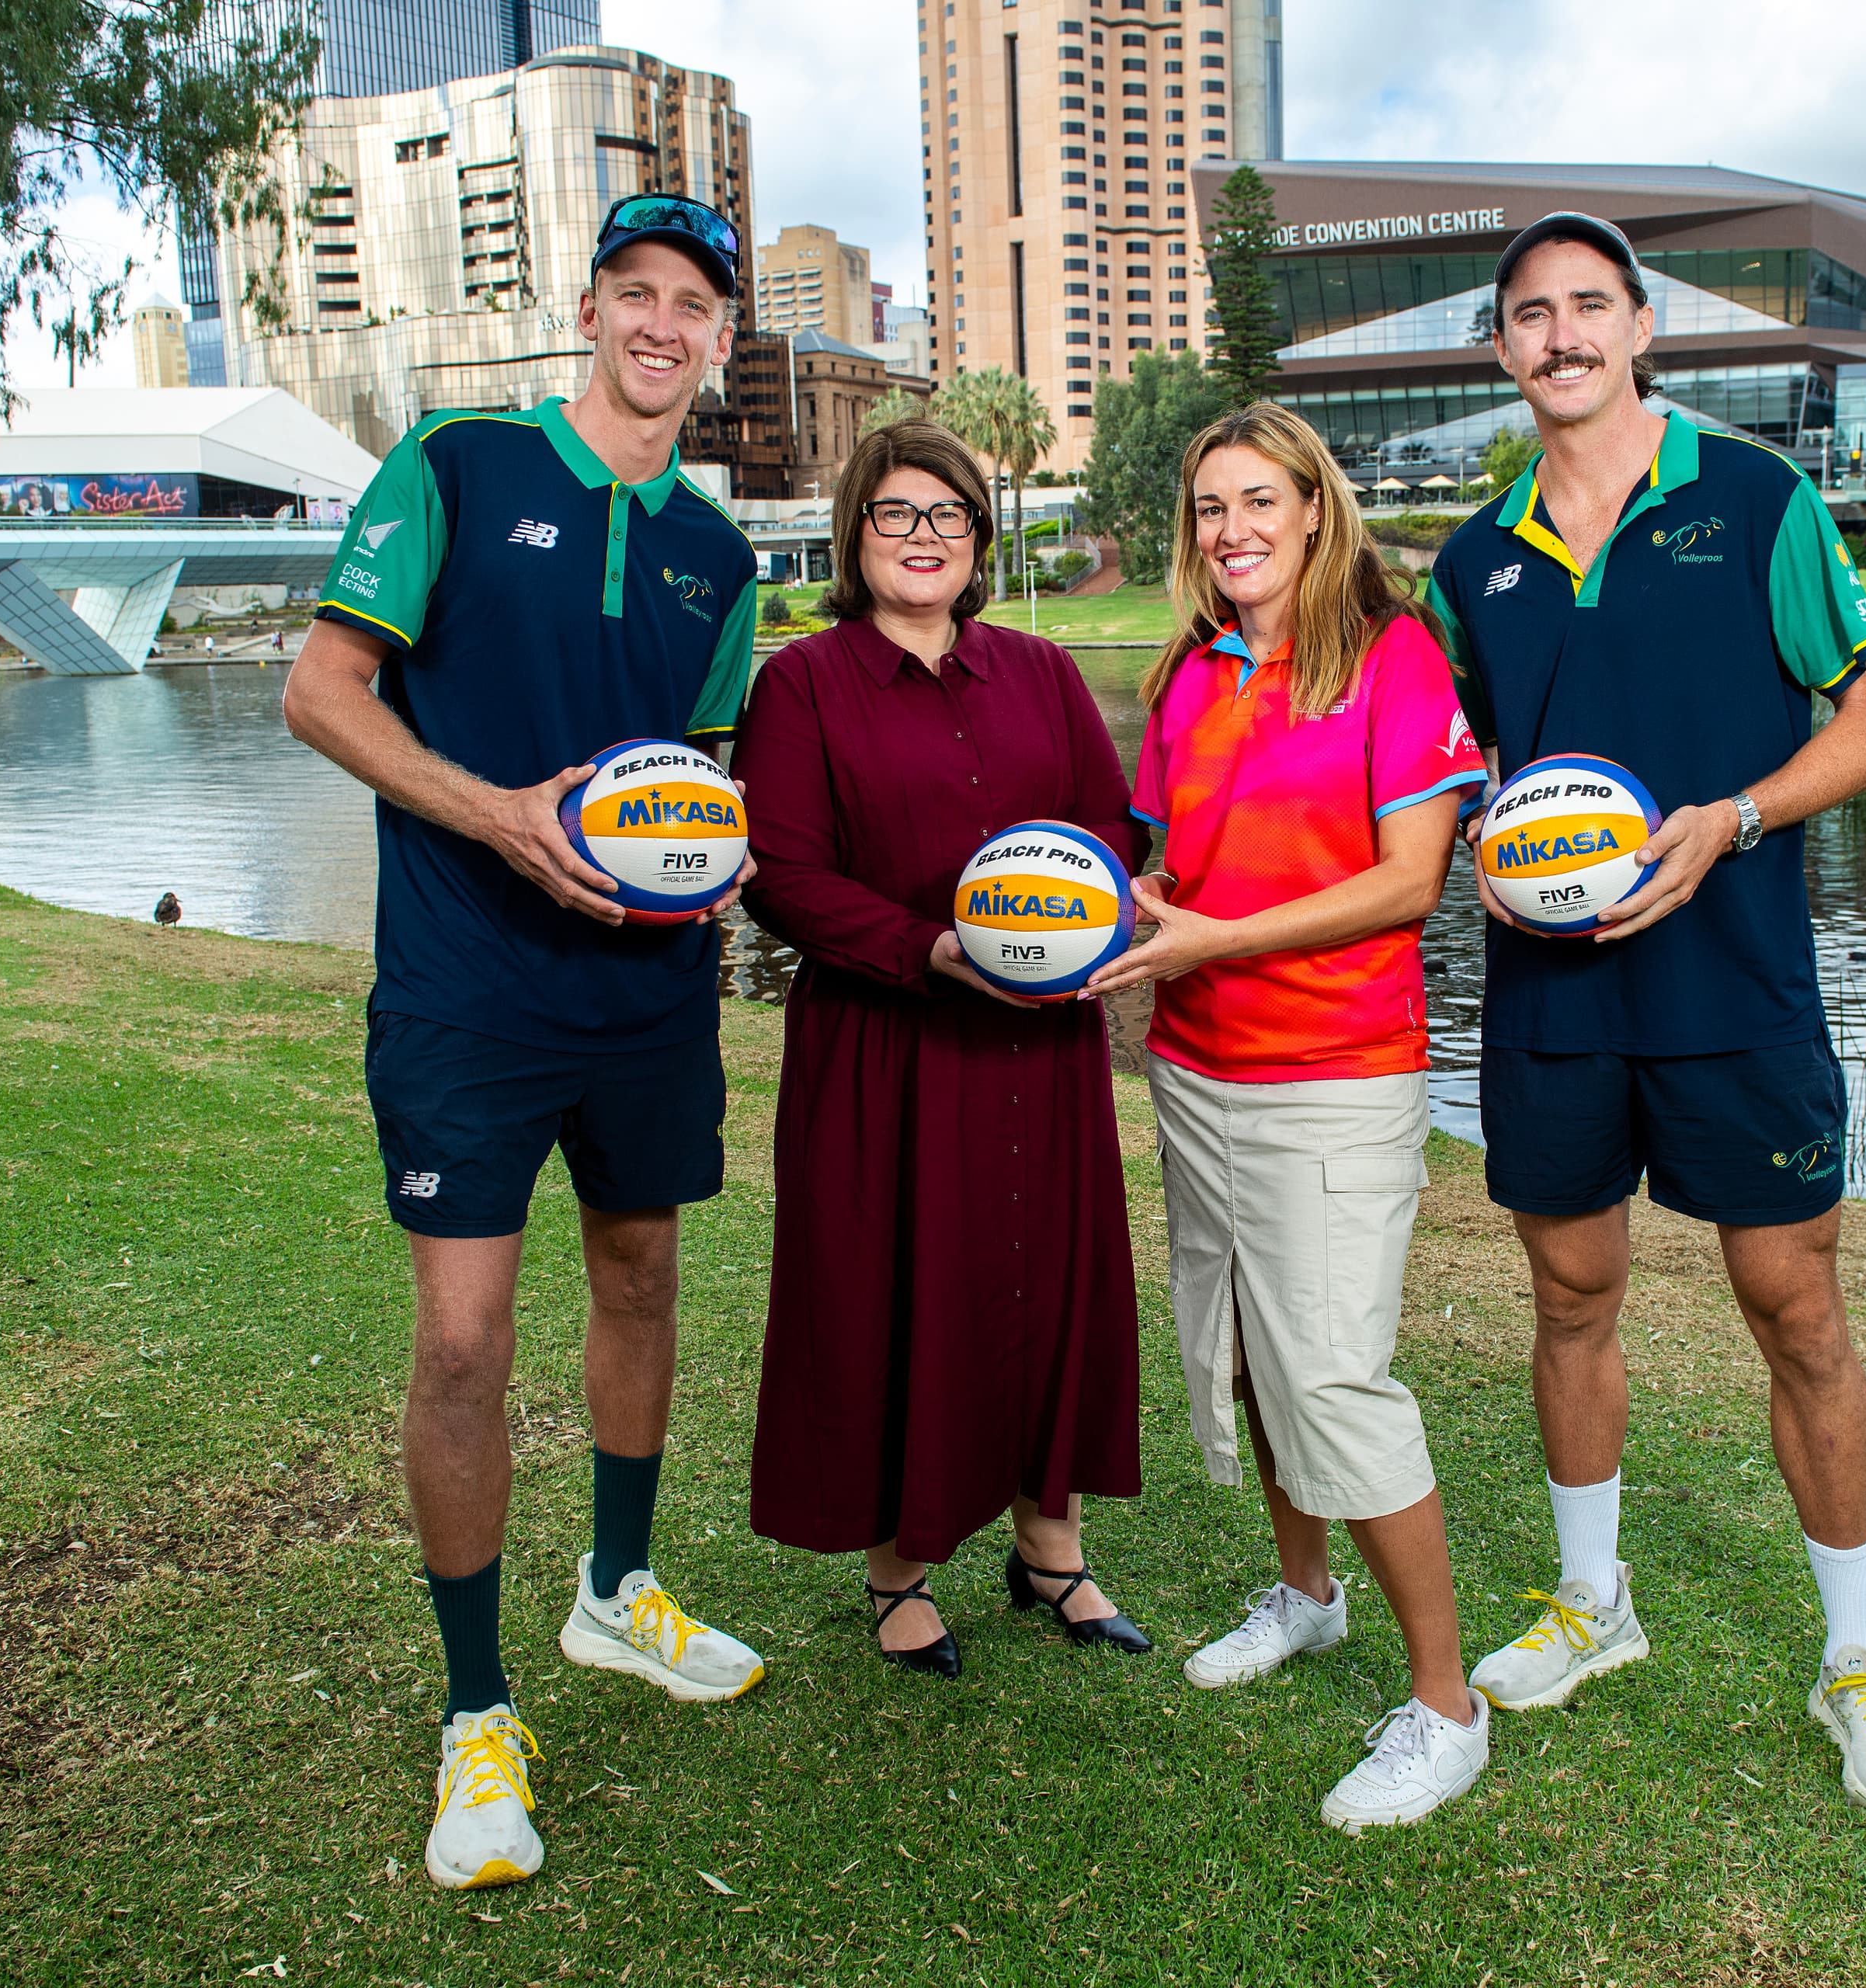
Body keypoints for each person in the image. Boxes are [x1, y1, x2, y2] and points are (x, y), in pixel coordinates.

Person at [1422, 213, 1866, 1812]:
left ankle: (1857, 1656)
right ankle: (1596, 1603)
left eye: (1591, 305)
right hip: (1551, 998)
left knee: (1795, 1304)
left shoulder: (1754, 499)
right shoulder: (1472, 555)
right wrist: (1475, 859)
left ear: (1643, 328)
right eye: (1532, 313)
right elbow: (1452, 771)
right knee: (1572, 1293)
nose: (1562, 333)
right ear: (1503, 349)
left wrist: (1740, 816)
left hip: (1734, 986)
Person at [282, 193, 770, 1893]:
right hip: (466, 984)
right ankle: (474, 1711)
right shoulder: (459, 462)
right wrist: (494, 814)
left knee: (640, 1278)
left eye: (692, 304)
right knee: (469, 1340)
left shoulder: (721, 554)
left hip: (641, 992)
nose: (660, 323)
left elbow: (700, 785)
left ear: (719, 345)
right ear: (589, 310)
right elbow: (321, 692)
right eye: (634, 291)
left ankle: (616, 1591)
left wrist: (722, 855)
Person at [1086, 403, 1491, 1830]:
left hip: (1336, 1075)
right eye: (1210, 507)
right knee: (1255, 1351)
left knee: (1334, 1378)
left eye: (1261, 501)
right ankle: (1307, 1594)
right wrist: (1125, 915)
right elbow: (1168, 865)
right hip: (1197, 1069)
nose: (1234, 530)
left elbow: (1407, 883)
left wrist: (1210, 942)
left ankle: (1448, 1708)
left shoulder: (1392, 657)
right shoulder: (1191, 671)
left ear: (1316, 509)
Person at [733, 419, 1151, 1679]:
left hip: (1045, 1049)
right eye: (897, 516)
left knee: (1051, 1279)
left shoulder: (1042, 673)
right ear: (857, 538)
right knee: (892, 1290)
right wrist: (931, 950)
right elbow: (785, 881)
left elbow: (1106, 831)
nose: (925, 539)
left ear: (980, 541)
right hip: (887, 1050)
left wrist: (1088, 919)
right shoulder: (802, 684)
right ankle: (899, 1569)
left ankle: (1051, 1546)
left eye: (950, 517)